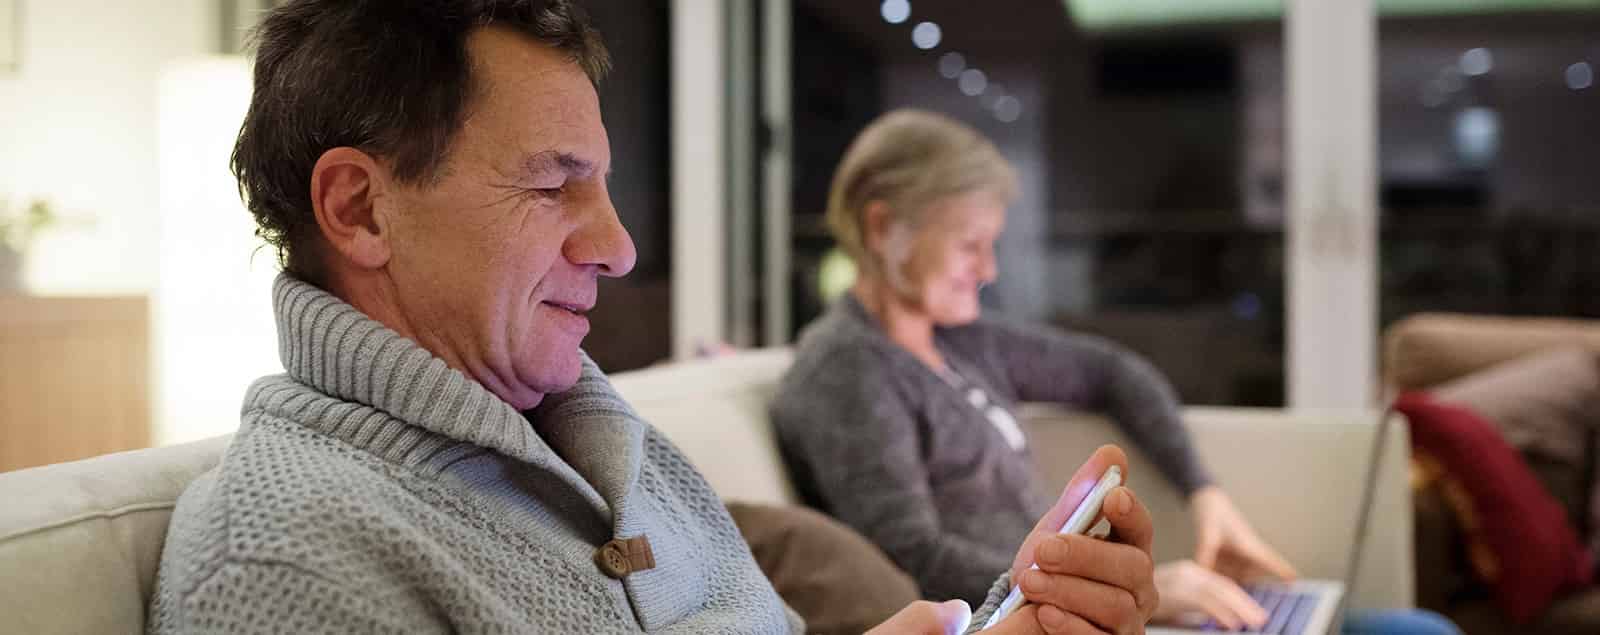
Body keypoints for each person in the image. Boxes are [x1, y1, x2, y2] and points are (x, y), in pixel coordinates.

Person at [147, 2, 1158, 633]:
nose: (620, 247)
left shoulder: (623, 447)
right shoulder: (283, 558)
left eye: (606, 186)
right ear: (361, 208)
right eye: (553, 189)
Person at [770, 110, 1461, 635]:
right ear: (884, 225)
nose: (988, 269)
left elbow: (1114, 372)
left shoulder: (962, 341)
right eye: (970, 244)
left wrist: (1206, 492)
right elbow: (913, 555)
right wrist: (1141, 586)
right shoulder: (846, 371)